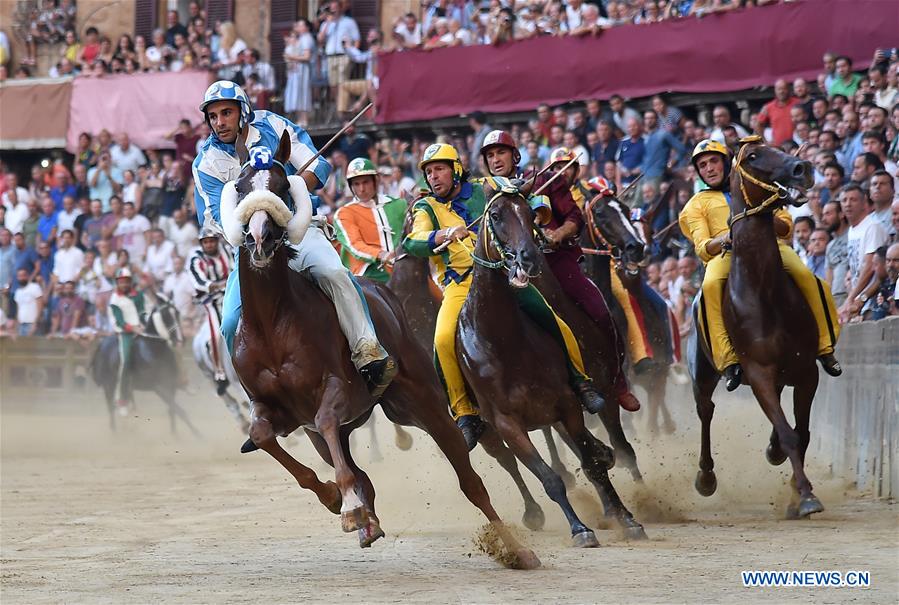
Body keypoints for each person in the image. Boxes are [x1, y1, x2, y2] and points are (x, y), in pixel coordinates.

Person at [191, 80, 396, 396]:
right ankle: (256, 397)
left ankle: (367, 349)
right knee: (230, 323)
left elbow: (320, 167)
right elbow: (219, 218)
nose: (220, 122)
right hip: (250, 248)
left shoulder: (273, 125)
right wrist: (257, 219)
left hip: (301, 230)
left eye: (227, 113)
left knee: (334, 273)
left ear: (242, 112)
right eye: (214, 116)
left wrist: (284, 188)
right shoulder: (205, 162)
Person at [404, 143, 605, 450]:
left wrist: (538, 209)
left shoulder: (488, 187)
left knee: (550, 316)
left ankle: (580, 381)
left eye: (440, 169)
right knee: (443, 340)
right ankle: (465, 413)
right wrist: (442, 235)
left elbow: (529, 197)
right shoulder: (425, 208)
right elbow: (414, 241)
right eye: (429, 172)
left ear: (456, 169)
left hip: (501, 275)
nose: (434, 177)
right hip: (460, 286)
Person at [481, 133, 640, 412]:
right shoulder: (484, 191)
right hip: (512, 271)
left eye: (501, 153)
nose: (496, 160)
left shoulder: (543, 179)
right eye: (490, 155)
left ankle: (618, 382)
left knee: (602, 312)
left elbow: (575, 218)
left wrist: (557, 233)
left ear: (514, 155)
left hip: (557, 262)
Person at [678, 139, 841, 391]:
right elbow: (702, 247)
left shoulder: (758, 184)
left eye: (713, 161)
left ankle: (824, 345)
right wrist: (727, 237)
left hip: (771, 248)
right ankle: (728, 360)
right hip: (726, 256)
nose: (709, 168)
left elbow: (786, 228)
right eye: (702, 165)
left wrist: (761, 216)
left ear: (726, 163)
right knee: (708, 288)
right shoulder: (695, 205)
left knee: (807, 276)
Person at [333, 158, 407, 283]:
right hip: (367, 273)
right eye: (356, 184)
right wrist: (382, 255)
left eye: (366, 182)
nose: (361, 189)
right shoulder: (344, 213)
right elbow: (355, 246)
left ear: (376, 181)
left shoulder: (400, 205)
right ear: (351, 186)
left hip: (402, 268)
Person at [189, 224, 232, 390]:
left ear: (217, 241)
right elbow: (201, 283)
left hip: (232, 297)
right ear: (201, 244)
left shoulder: (227, 251)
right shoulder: (196, 260)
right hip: (211, 302)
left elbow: (236, 269)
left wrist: (225, 284)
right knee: (215, 335)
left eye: (211, 241)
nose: (209, 245)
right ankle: (219, 372)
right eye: (205, 242)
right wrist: (222, 283)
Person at [108, 268, 146, 409]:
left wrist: (144, 321)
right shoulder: (115, 299)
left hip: (141, 329)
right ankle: (121, 398)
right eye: (121, 282)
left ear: (130, 282)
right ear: (117, 283)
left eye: (126, 282)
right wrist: (133, 328)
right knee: (126, 360)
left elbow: (143, 311)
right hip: (125, 333)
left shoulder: (139, 295)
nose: (124, 284)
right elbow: (120, 321)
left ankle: (180, 380)